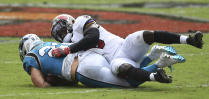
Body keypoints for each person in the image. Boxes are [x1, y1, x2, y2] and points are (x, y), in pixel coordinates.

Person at [50, 14, 192, 82]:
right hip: (117, 59)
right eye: (59, 35)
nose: (62, 36)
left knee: (142, 35)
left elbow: (92, 37)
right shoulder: (70, 46)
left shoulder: (80, 22)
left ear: (70, 22)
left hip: (124, 46)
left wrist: (68, 49)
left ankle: (188, 39)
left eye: (62, 31)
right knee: (119, 69)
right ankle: (156, 74)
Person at [19, 34, 181, 88]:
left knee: (128, 83)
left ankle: (158, 64)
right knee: (124, 70)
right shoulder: (50, 44)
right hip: (92, 55)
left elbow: (39, 83)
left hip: (85, 69)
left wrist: (48, 84)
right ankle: (151, 56)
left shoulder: (30, 57)